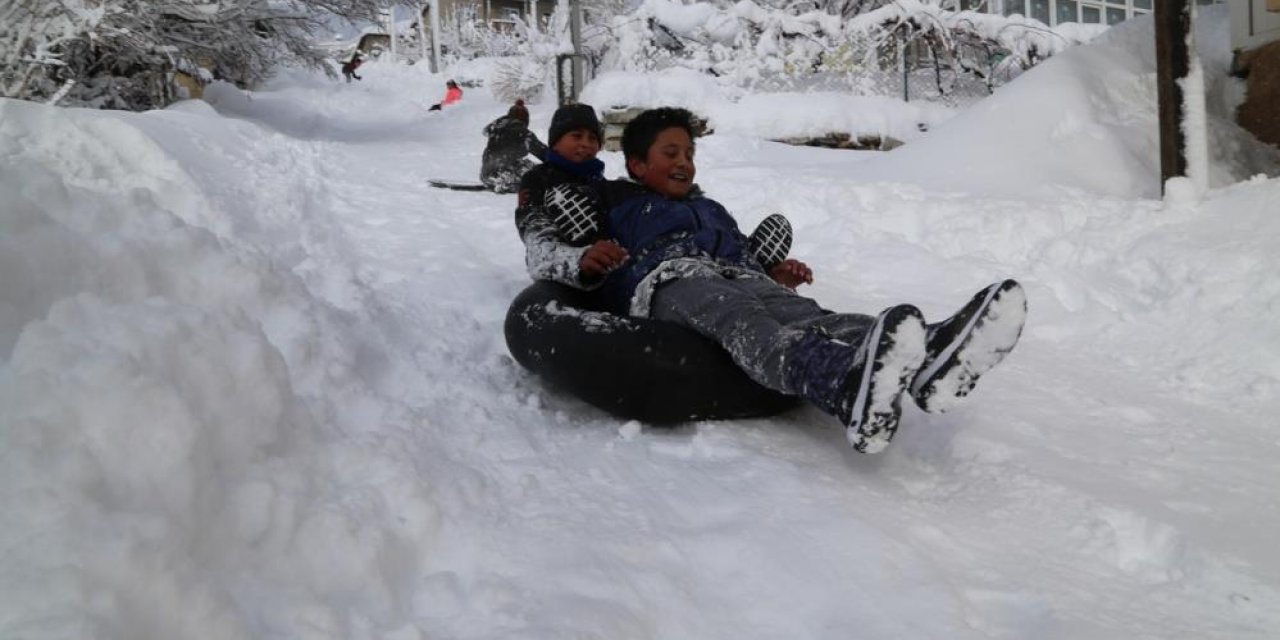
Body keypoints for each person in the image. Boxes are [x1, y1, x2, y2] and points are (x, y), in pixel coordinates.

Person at [588, 107, 1028, 453]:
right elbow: (577, 244)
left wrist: (772, 274)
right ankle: (839, 382)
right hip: (670, 281)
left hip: (736, 274)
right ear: (637, 164)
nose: (685, 162)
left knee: (809, 315)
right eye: (671, 154)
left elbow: (739, 253)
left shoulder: (712, 209)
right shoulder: (620, 202)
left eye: (689, 154)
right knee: (741, 317)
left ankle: (927, 355)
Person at [513, 102, 615, 288]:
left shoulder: (601, 183)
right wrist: (579, 261)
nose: (586, 143)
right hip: (560, 280)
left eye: (593, 138)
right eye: (576, 136)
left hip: (610, 277)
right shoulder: (537, 179)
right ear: (556, 142)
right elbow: (536, 238)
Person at [480, 100, 548, 193]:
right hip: (507, 176)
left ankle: (497, 180)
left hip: (486, 175)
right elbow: (544, 154)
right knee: (540, 172)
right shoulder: (522, 133)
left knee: (524, 164)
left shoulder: (496, 130)